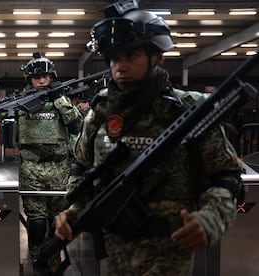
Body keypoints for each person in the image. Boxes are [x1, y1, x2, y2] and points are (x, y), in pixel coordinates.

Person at [54, 1, 244, 275]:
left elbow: (227, 176)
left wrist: (211, 219)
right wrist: (74, 208)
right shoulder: (101, 111)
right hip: (113, 249)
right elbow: (81, 168)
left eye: (131, 56)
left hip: (170, 251)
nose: (120, 66)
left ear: (158, 56)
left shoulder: (188, 110)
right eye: (114, 57)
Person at [17, 52, 82, 274]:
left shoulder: (61, 100)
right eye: (36, 78)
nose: (41, 81)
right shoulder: (20, 103)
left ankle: (53, 257)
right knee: (36, 224)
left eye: (45, 76)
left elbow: (76, 126)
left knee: (57, 221)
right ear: (29, 80)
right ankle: (37, 260)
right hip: (31, 168)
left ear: (51, 76)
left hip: (59, 168)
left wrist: (60, 100)